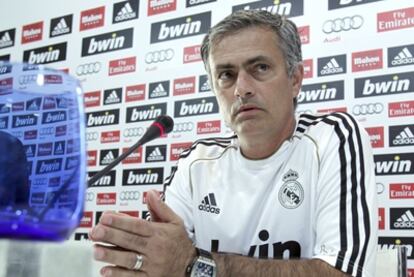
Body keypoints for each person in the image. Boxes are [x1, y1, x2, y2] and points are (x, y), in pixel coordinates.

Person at [89, 10, 378, 277]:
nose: (242, 89)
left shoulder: (333, 138)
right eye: (226, 75)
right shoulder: (196, 162)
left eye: (260, 68)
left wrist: (195, 264)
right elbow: (163, 263)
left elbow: (342, 274)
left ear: (295, 80)